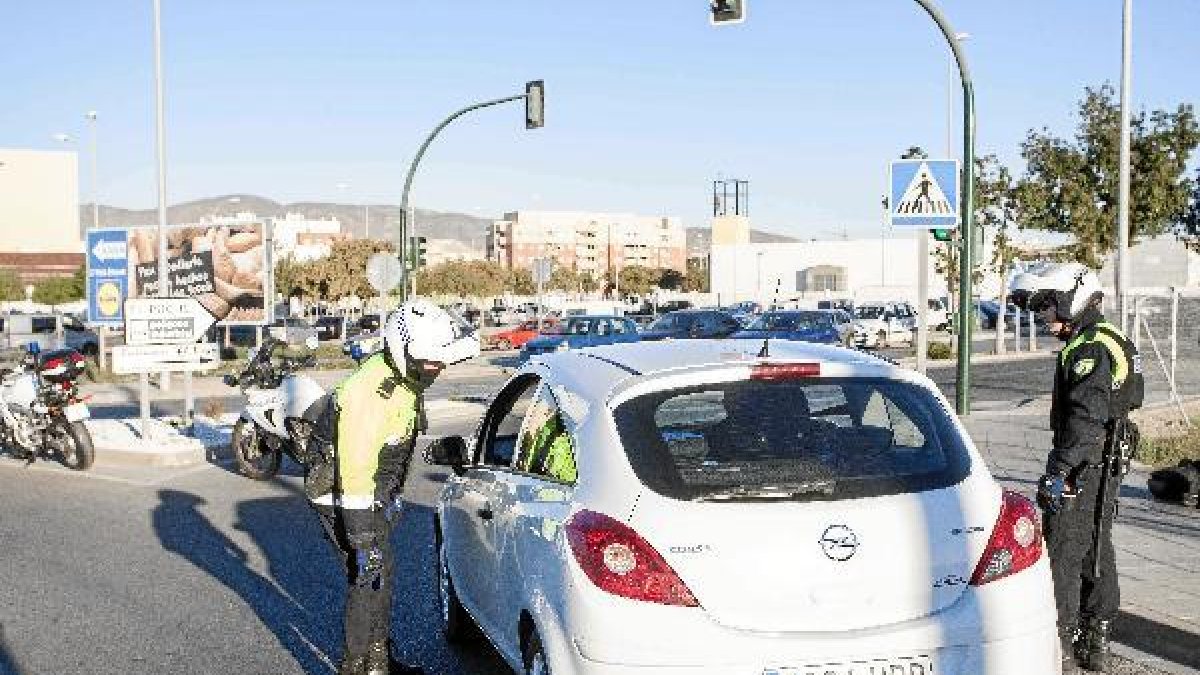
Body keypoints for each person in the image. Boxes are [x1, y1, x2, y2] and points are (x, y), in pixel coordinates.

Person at [304, 299, 480, 675]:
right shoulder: (371, 393)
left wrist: (391, 498)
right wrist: (363, 538)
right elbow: (355, 468)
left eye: (439, 362)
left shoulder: (405, 378)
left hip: (371, 490)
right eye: (430, 362)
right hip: (342, 491)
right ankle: (355, 668)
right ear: (404, 352)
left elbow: (391, 453)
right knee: (369, 576)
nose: (437, 368)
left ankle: (379, 663)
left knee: (383, 574)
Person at [1010, 262, 1144, 674]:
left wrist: (1060, 470)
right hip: (1102, 462)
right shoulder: (1106, 336)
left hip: (1084, 462)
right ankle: (1097, 642)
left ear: (1074, 298)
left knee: (1065, 553)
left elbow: (1087, 417)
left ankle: (1061, 649)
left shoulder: (1089, 346)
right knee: (1096, 551)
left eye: (1049, 307)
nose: (1043, 318)